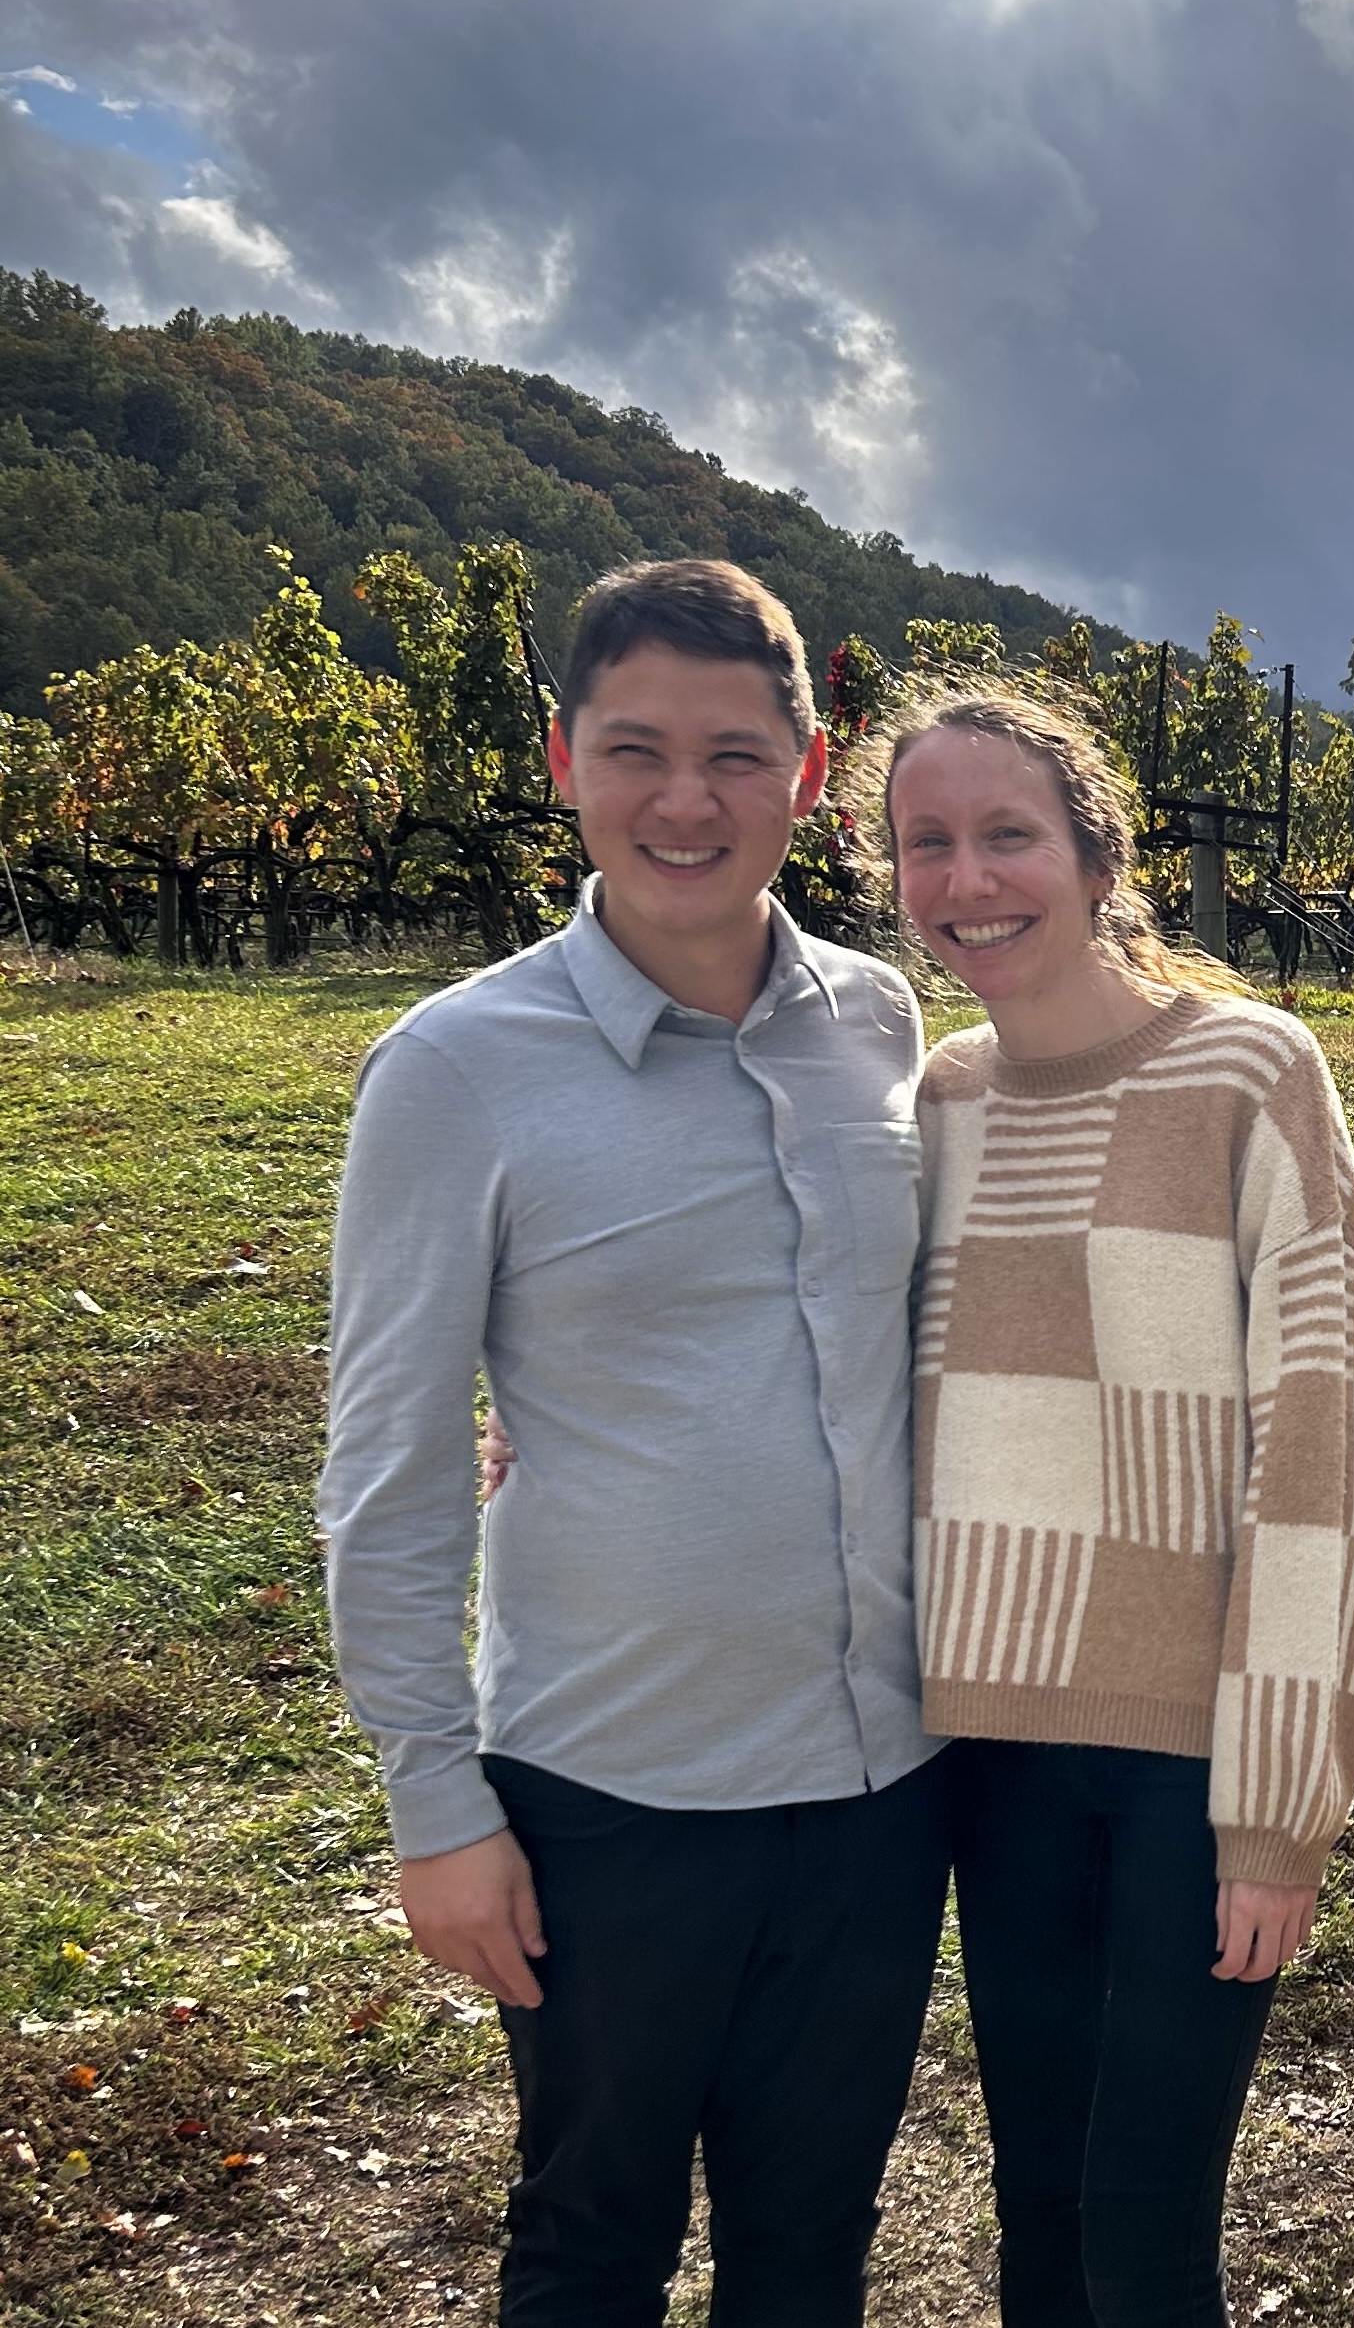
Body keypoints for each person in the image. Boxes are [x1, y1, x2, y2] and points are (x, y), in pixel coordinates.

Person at [319, 558, 949, 2328]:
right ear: (562, 759)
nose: (688, 800)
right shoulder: (454, 1070)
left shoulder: (881, 1027)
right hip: (613, 1795)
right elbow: (391, 1461)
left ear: (810, 775)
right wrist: (434, 1800)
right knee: (592, 2245)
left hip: (884, 1785)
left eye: (738, 754)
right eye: (638, 750)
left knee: (812, 2249)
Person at [865, 679, 1354, 2328]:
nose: (969, 879)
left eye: (1008, 833)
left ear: (1099, 856)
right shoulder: (935, 1104)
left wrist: (1277, 1810)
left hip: (1191, 1771)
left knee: (1144, 2238)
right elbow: (839, 1365)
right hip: (984, 1759)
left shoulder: (1252, 1073)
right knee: (1037, 2215)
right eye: (925, 842)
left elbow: (1328, 1448)